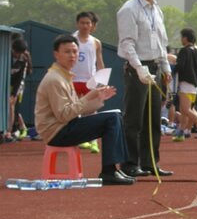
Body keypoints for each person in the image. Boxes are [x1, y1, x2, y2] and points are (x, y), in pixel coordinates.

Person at [35, 34, 134, 185]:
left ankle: (115, 168)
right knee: (112, 119)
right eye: (67, 52)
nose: (72, 56)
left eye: (75, 52)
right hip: (57, 132)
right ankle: (109, 171)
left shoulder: (65, 77)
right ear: (56, 54)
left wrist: (99, 98)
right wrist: (91, 96)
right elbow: (64, 115)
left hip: (65, 126)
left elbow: (75, 110)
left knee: (116, 115)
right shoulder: (54, 79)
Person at [117, 0, 173, 177]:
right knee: (134, 119)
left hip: (156, 67)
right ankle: (130, 163)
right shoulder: (129, 9)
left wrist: (166, 67)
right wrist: (139, 68)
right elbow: (127, 43)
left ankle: (150, 162)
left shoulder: (156, 9)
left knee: (153, 119)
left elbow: (161, 41)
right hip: (137, 69)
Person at [71, 11, 105, 154]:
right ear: (77, 24)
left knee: (91, 111)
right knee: (75, 110)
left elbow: (100, 62)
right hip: (73, 79)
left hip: (89, 80)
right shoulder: (71, 40)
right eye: (82, 23)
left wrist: (102, 81)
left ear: (92, 25)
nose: (85, 26)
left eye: (88, 23)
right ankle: (80, 139)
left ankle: (94, 141)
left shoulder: (95, 42)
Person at [173, 28, 197, 142]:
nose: (181, 40)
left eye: (181, 37)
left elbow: (180, 66)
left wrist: (172, 69)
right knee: (188, 108)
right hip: (195, 85)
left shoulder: (184, 51)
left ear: (185, 38)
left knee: (185, 109)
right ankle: (181, 132)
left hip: (185, 82)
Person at [8, 37, 31, 142]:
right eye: (16, 52)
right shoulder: (6, 56)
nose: (17, 55)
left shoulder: (24, 59)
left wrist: (14, 94)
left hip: (17, 85)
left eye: (19, 53)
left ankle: (11, 130)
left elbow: (21, 78)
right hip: (7, 84)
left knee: (14, 105)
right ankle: (22, 127)